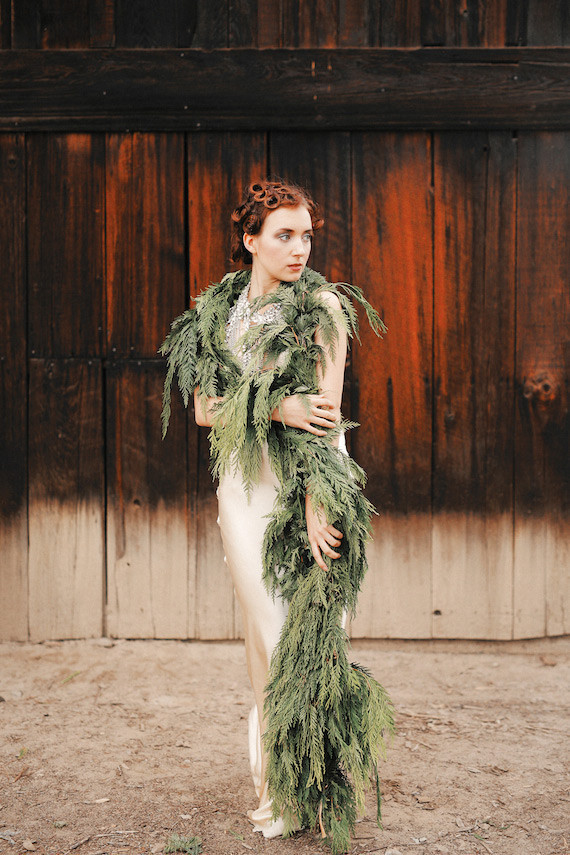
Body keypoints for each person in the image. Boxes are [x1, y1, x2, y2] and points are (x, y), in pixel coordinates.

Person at [161, 180, 394, 853]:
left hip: (307, 481)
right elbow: (205, 408)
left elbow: (324, 414)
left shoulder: (321, 307)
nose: (299, 248)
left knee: (312, 633)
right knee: (265, 628)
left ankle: (311, 783)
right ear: (250, 239)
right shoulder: (219, 310)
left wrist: (322, 505)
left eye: (307, 236)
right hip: (244, 482)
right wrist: (272, 407)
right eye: (284, 235)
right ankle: (279, 786)